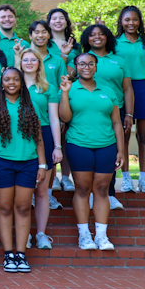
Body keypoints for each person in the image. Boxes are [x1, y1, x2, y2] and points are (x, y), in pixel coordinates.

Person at [59, 53, 126, 251]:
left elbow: (116, 122)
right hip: (79, 144)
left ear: (96, 67)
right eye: (81, 64)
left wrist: (121, 150)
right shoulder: (69, 89)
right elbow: (65, 118)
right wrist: (64, 93)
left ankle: (102, 236)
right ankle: (84, 235)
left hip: (106, 145)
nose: (86, 67)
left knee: (102, 189)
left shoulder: (108, 90)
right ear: (76, 67)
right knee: (82, 188)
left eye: (90, 63)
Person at [0, 67, 46, 273]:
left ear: (21, 83)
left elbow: (38, 138)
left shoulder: (31, 105)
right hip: (2, 162)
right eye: (7, 79)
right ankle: (8, 253)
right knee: (4, 207)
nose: (11, 83)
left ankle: (21, 254)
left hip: (28, 163)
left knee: (23, 207)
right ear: (1, 83)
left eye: (16, 79)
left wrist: (42, 164)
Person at [81, 24, 133, 211]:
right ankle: (91, 194)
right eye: (92, 34)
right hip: (85, 112)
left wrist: (128, 113)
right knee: (88, 153)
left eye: (101, 34)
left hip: (114, 111)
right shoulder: (81, 59)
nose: (97, 37)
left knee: (110, 153)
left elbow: (127, 89)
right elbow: (70, 77)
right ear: (86, 38)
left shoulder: (119, 60)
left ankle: (108, 193)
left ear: (108, 38)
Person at [115, 6, 145, 193]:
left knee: (143, 135)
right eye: (127, 20)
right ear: (121, 22)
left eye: (135, 19)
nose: (131, 23)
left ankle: (143, 178)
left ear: (139, 22)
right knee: (124, 135)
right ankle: (126, 178)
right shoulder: (114, 42)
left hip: (144, 89)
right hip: (123, 89)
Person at [20, 49, 64, 249]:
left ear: (39, 63)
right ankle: (24, 234)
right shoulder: (13, 83)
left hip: (43, 135)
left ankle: (40, 234)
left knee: (41, 191)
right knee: (23, 192)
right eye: (25, 60)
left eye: (33, 60)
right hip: (19, 137)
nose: (29, 63)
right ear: (20, 63)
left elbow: (54, 119)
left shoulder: (48, 87)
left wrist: (57, 146)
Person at [47, 8, 80, 192]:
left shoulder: (75, 45)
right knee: (52, 137)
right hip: (49, 96)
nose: (58, 21)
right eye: (54, 18)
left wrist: (69, 67)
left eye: (62, 18)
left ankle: (65, 177)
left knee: (66, 137)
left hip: (69, 94)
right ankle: (51, 178)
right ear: (49, 22)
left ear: (66, 22)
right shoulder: (44, 42)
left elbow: (76, 72)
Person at [24, 21, 68, 89]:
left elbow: (62, 86)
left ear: (49, 35)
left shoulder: (58, 60)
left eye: (44, 32)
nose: (40, 35)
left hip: (53, 99)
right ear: (30, 36)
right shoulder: (25, 60)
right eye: (36, 32)